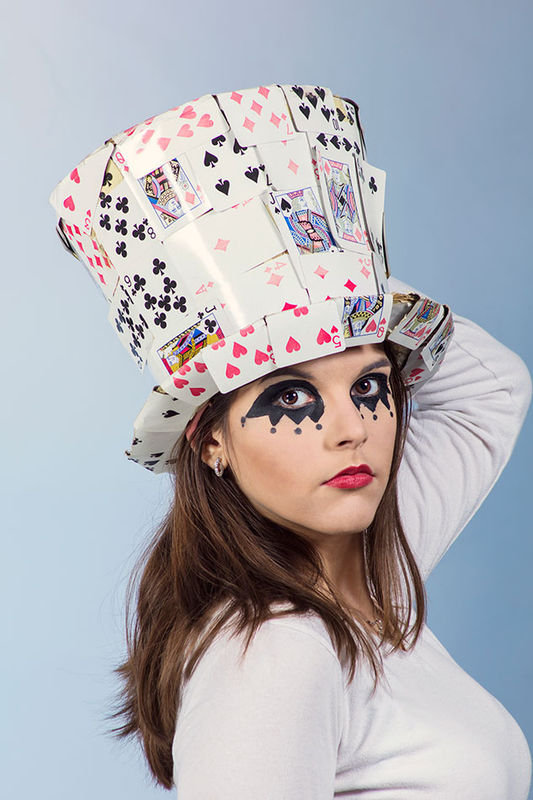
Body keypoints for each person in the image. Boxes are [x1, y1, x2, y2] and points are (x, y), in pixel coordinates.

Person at [49, 84, 532, 799]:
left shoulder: (374, 581)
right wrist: (261, 279)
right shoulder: (273, 652)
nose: (352, 428)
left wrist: (309, 259)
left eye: (369, 386)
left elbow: (491, 387)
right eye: (292, 398)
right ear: (209, 440)